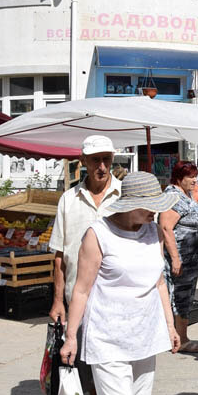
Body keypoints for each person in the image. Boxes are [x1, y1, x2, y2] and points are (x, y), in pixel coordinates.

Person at [59, 172, 181, 395]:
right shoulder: (98, 234)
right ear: (132, 206)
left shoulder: (152, 231)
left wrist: (170, 325)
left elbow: (158, 282)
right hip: (107, 336)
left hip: (145, 334)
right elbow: (80, 289)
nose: (156, 214)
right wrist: (71, 336)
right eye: (150, 208)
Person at [49, 135, 122, 324]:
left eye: (106, 159)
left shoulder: (125, 196)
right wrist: (57, 300)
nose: (102, 166)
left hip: (117, 299)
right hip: (77, 300)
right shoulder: (68, 199)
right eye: (95, 160)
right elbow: (60, 256)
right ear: (83, 161)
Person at [158, 161, 198, 353]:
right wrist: (176, 258)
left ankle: (180, 336)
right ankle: (179, 338)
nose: (194, 180)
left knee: (183, 295)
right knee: (178, 295)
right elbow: (165, 227)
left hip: (190, 258)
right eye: (190, 177)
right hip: (179, 258)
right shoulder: (173, 196)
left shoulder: (184, 195)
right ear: (179, 177)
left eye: (195, 176)